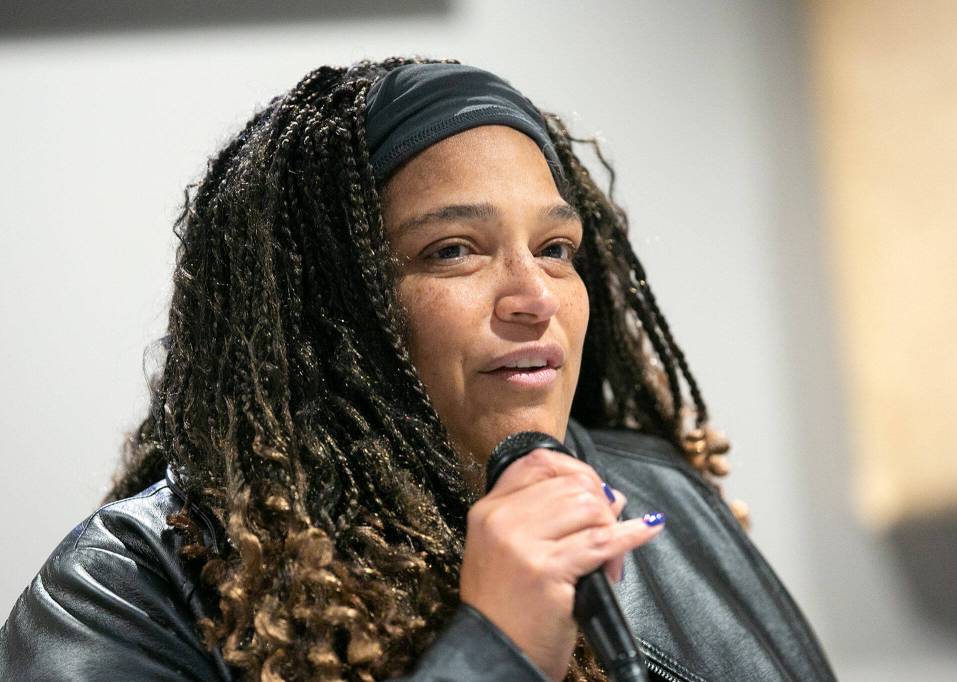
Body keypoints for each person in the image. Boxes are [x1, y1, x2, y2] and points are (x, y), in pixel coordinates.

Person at [0, 57, 835, 681]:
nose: (533, 297)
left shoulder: (666, 498)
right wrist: (495, 648)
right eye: (452, 251)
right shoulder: (128, 590)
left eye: (555, 249)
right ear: (327, 304)